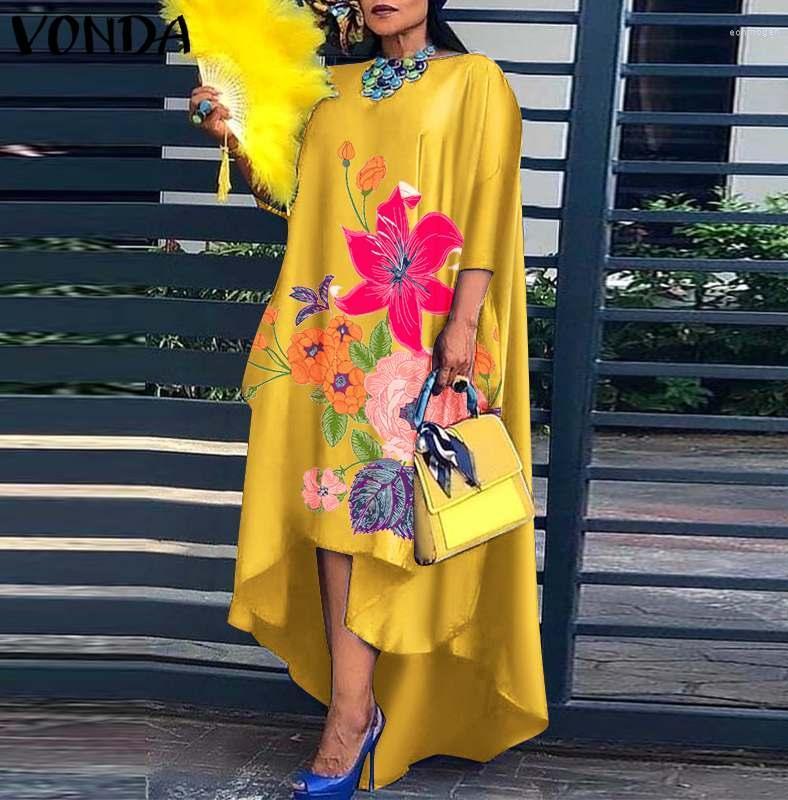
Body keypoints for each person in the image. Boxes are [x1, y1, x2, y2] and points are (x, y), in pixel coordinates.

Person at [189, 0, 548, 796]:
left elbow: (488, 204)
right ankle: (351, 712)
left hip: (425, 328)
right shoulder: (332, 88)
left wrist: (463, 325)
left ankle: (377, 712)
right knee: (336, 517)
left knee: (396, 519)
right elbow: (295, 199)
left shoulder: (476, 80)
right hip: (336, 334)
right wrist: (236, 139)